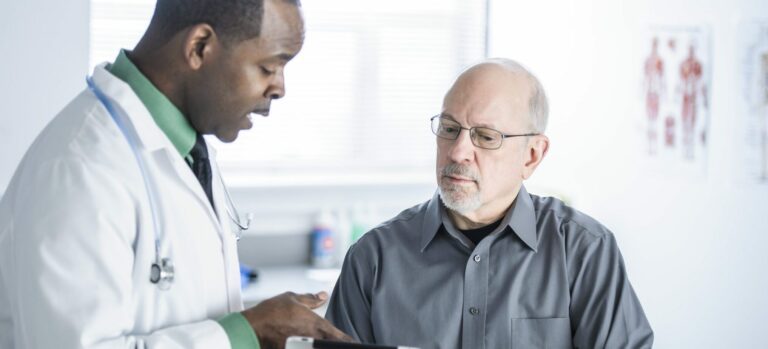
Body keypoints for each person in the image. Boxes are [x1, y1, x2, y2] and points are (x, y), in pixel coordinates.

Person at [0, 0, 352, 348]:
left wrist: (258, 327)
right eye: (268, 67)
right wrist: (247, 332)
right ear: (199, 47)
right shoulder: (80, 168)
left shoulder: (186, 153)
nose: (280, 88)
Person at [325, 58, 654, 348]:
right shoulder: (373, 258)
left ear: (532, 155)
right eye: (449, 128)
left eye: (485, 136)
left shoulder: (584, 252)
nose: (457, 152)